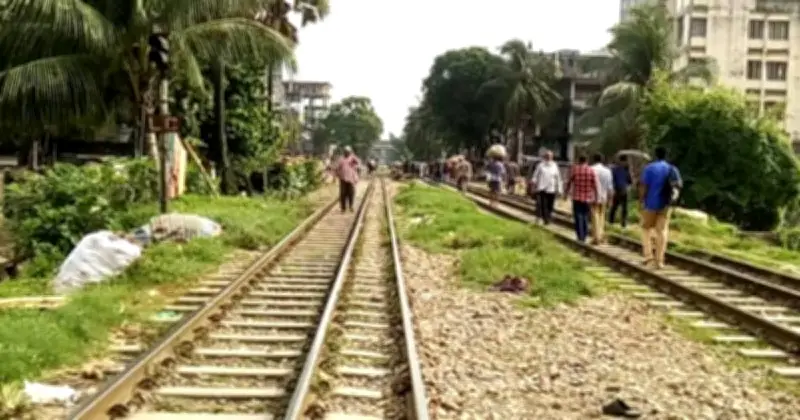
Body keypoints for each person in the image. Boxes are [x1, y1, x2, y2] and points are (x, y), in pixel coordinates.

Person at [639, 146, 683, 269]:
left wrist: (641, 201)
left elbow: (644, 186)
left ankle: (648, 257)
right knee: (662, 231)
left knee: (645, 229)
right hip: (666, 204)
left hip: (650, 204)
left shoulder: (649, 168)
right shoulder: (672, 169)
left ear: (655, 155)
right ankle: (659, 260)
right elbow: (679, 185)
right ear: (666, 156)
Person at [564, 155, 600, 242]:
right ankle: (584, 235)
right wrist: (597, 197)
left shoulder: (575, 170)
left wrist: (565, 193)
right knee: (585, 217)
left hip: (576, 197)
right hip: (588, 198)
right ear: (586, 161)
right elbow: (596, 185)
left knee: (578, 217)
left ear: (579, 160)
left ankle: (580, 236)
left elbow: (569, 182)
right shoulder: (591, 171)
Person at [530, 150, 562, 225]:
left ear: (552, 157)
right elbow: (535, 176)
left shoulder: (555, 165)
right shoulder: (540, 165)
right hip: (542, 188)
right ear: (545, 157)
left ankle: (548, 216)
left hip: (551, 188)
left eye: (550, 156)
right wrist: (533, 183)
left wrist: (559, 189)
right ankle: (546, 219)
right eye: (547, 156)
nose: (548, 157)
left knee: (550, 205)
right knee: (544, 205)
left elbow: (558, 178)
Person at [590, 153, 614, 244]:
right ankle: (601, 234)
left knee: (594, 216)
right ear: (602, 160)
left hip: (593, 196)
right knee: (602, 216)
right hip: (604, 196)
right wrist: (610, 199)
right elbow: (610, 187)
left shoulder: (591, 169)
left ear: (593, 159)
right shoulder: (607, 171)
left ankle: (596, 237)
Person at [609, 155, 633, 227]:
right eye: (624, 161)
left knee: (622, 207)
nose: (624, 163)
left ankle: (621, 222)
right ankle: (613, 221)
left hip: (621, 190)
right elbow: (612, 180)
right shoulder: (617, 169)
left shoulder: (625, 170)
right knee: (617, 206)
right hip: (619, 190)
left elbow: (630, 181)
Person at [335, 146, 360, 212]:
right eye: (345, 151)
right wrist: (337, 174)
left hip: (351, 178)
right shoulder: (341, 159)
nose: (347, 153)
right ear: (344, 152)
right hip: (343, 178)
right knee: (343, 193)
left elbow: (358, 163)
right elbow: (337, 167)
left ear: (350, 152)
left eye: (348, 152)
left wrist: (353, 156)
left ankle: (351, 206)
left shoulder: (353, 158)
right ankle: (343, 208)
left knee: (351, 193)